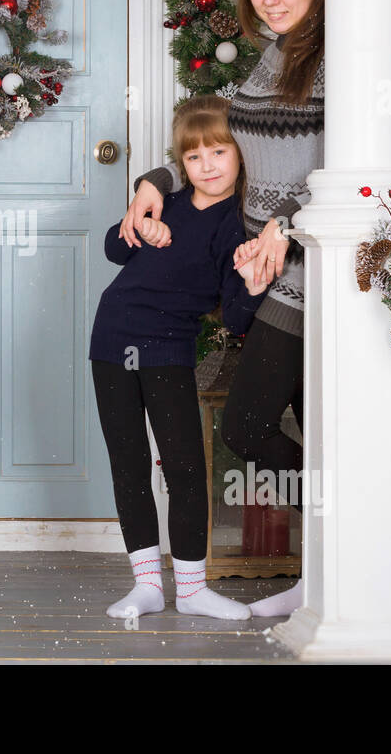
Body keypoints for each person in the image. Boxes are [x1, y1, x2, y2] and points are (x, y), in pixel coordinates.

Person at [119, 0, 326, 618]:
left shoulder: (335, 61)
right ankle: (324, 575)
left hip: (304, 277)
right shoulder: (272, 58)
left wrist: (285, 221)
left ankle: (354, 529)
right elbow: (218, 147)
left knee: (245, 428)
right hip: (260, 276)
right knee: (304, 422)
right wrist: (154, 179)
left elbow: (349, 172)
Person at [90, 95, 269, 621]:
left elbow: (234, 318)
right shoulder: (164, 199)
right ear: (180, 163)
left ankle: (191, 588)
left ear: (241, 154)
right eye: (194, 157)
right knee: (129, 462)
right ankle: (147, 584)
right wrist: (142, 227)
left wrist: (253, 282)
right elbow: (113, 250)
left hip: (169, 348)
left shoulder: (239, 225)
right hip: (113, 336)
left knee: (186, 467)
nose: (207, 166)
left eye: (218, 152)